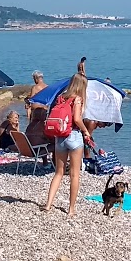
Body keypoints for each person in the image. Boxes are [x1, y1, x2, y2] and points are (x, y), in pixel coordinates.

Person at [41, 74, 91, 216]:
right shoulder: (78, 99)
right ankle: (71, 209)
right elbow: (76, 118)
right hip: (73, 136)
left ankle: (49, 204)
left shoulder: (61, 97)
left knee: (59, 172)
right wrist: (85, 131)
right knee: (74, 175)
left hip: (60, 137)